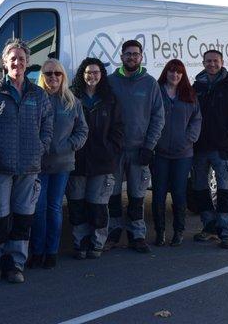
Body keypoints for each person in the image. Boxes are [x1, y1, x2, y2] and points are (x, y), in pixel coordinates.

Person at [0, 39, 53, 283]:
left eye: (21, 58)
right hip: (0, 167)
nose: (17, 62)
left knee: (23, 219)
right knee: (0, 218)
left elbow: (47, 127)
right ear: (4, 62)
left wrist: (40, 147)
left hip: (29, 167)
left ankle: (15, 264)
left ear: (28, 62)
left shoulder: (38, 94)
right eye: (12, 58)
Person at [106, 39, 165, 253]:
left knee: (137, 196)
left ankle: (136, 235)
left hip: (139, 149)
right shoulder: (111, 82)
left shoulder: (150, 83)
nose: (132, 57)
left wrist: (149, 146)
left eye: (135, 54)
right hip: (115, 150)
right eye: (128, 54)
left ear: (141, 57)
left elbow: (158, 117)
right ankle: (113, 232)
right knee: (111, 194)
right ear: (121, 57)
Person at [29, 59, 88, 269]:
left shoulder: (72, 101)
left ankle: (51, 252)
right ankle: (37, 251)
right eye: (48, 73)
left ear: (63, 76)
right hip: (38, 164)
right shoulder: (34, 99)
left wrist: (67, 146)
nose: (53, 77)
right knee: (38, 209)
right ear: (41, 76)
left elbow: (82, 130)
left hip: (62, 165)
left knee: (54, 209)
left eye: (57, 73)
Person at [67, 58, 123, 259]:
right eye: (88, 72)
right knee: (77, 205)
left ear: (102, 75)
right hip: (77, 161)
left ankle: (97, 242)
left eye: (96, 72)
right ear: (82, 74)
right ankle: (80, 242)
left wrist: (110, 150)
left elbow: (118, 129)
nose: (92, 76)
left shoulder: (109, 99)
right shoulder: (72, 98)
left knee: (98, 206)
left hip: (102, 162)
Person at [192, 49, 228, 249]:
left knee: (224, 191)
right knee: (200, 190)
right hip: (199, 148)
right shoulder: (197, 86)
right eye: (208, 61)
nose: (212, 64)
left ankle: (226, 231)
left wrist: (225, 133)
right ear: (203, 62)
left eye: (215, 61)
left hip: (222, 149)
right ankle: (209, 226)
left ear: (222, 62)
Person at [151, 59, 201, 247]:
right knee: (158, 194)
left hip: (183, 154)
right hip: (160, 153)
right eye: (172, 71)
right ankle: (160, 232)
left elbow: (197, 119)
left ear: (183, 74)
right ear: (166, 72)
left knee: (179, 194)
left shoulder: (189, 93)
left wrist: (189, 139)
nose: (175, 75)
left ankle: (178, 231)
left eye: (179, 72)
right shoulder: (156, 91)